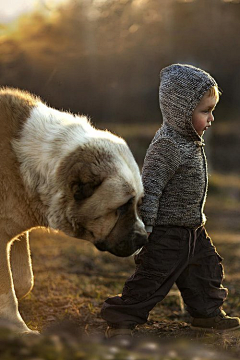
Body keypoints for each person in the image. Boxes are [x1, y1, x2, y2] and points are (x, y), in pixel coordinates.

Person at [101, 64, 240, 338]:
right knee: (152, 278)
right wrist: (147, 227)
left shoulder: (191, 139)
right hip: (166, 232)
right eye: (205, 111)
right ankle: (121, 320)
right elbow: (150, 188)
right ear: (181, 112)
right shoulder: (167, 145)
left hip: (193, 229)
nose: (211, 118)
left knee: (207, 270)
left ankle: (207, 314)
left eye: (212, 110)